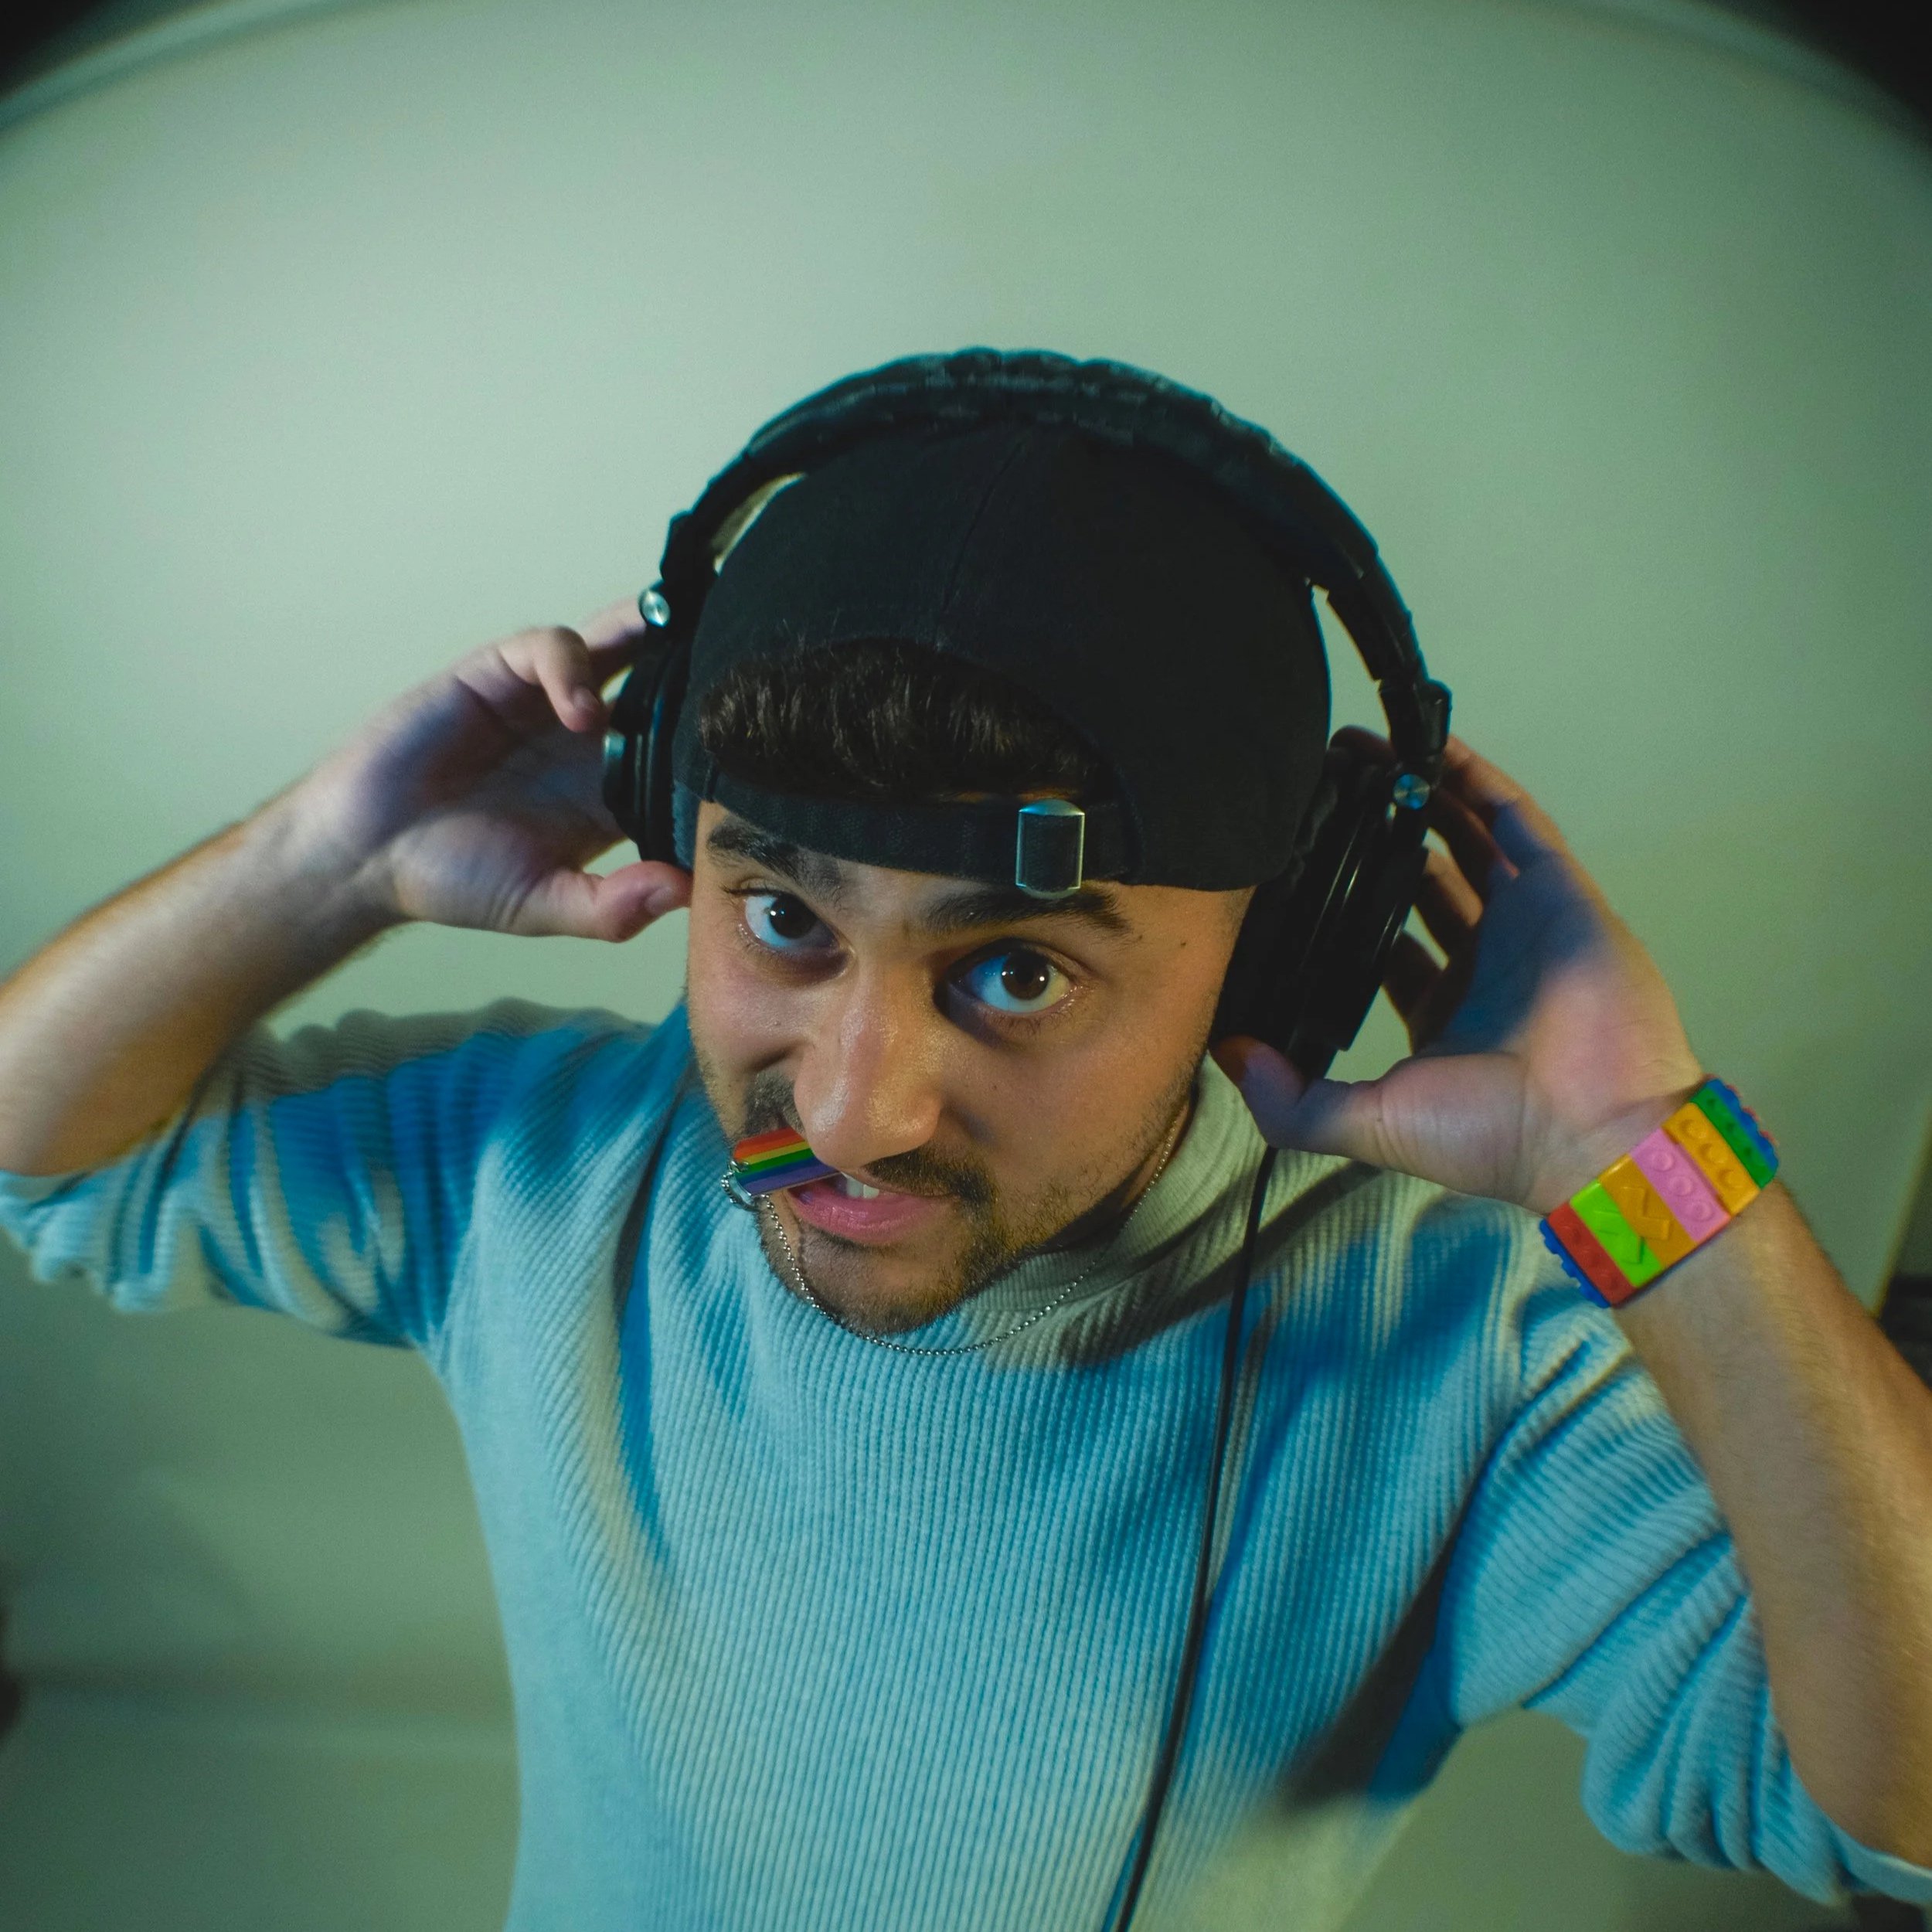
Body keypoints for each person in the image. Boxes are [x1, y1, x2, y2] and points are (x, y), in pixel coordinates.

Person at [0, 354, 1927, 1932]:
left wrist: (1644, 1151)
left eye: (1013, 974)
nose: (849, 1107)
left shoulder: (1451, 1345)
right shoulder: (544, 1169)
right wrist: (322, 860)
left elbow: (1891, 1813)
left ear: (1272, 955)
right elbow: (49, 1151)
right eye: (784, 923)